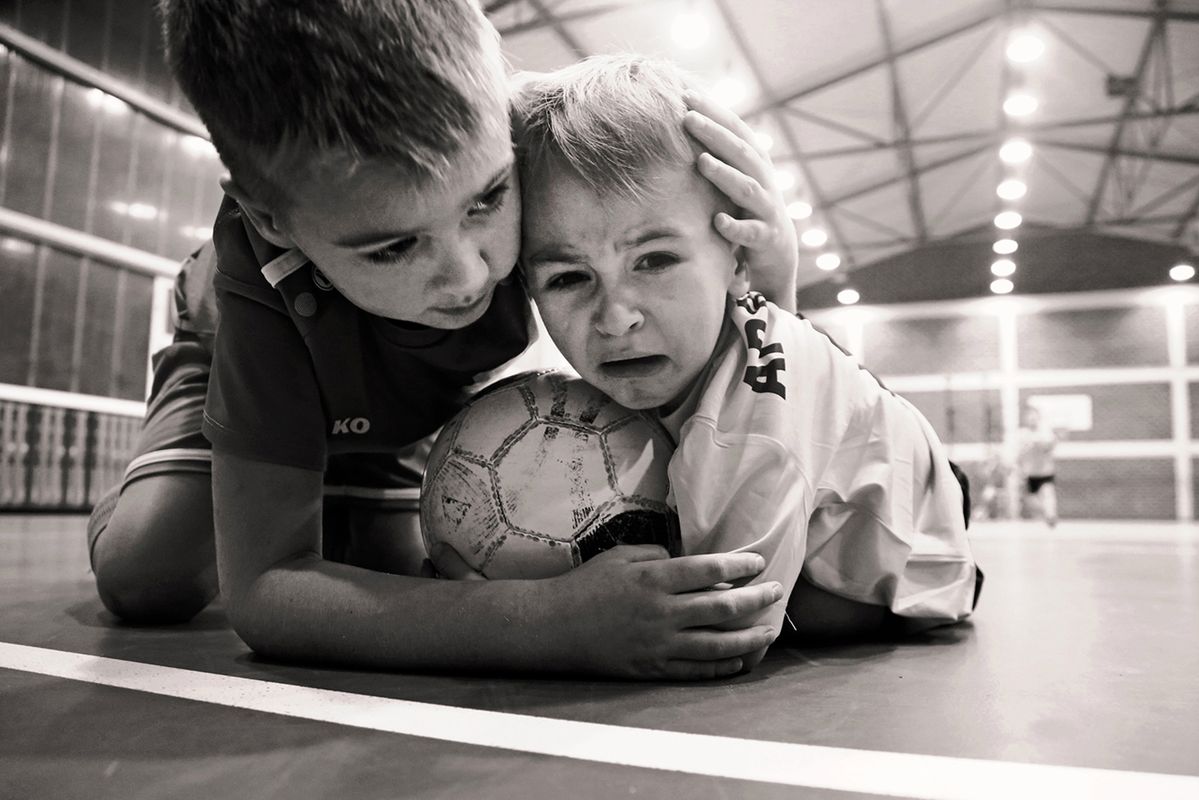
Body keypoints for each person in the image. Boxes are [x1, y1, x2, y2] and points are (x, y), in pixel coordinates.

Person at [87, 0, 802, 680]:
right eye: (393, 248)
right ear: (272, 221)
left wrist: (769, 274)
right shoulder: (261, 273)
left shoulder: (541, 144)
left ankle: (329, 474)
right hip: (239, 351)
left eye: (489, 198)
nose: (470, 275)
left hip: (410, 397)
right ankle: (235, 456)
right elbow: (265, 593)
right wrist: (549, 624)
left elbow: (726, 363)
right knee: (148, 574)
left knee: (397, 570)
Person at [514, 55, 982, 663]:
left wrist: (526, 609)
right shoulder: (715, 351)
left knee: (791, 612)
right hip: (876, 467)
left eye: (654, 261)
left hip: (924, 557)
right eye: (569, 278)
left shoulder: (743, 429)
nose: (615, 317)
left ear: (738, 261)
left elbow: (721, 630)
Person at [1018, 405, 1060, 527]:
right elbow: (1018, 453)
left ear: (1038, 418)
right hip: (1029, 474)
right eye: (1030, 417)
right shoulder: (1022, 434)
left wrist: (1038, 442)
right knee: (1030, 500)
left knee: (1048, 493)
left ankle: (1051, 515)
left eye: (1034, 417)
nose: (1032, 420)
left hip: (1045, 472)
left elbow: (1049, 446)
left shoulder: (1045, 433)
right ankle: (1045, 513)